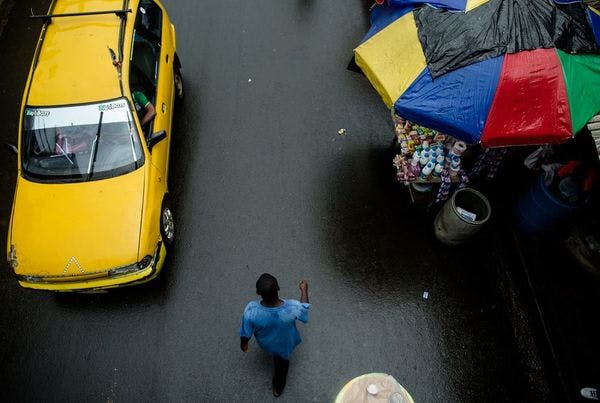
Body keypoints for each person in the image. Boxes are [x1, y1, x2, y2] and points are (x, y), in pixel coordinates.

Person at [240, 274, 310, 397]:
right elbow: (304, 307)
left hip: (266, 343)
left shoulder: (251, 310)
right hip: (285, 345)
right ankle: (278, 387)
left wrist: (244, 344)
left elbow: (246, 333)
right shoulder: (292, 307)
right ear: (278, 288)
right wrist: (304, 289)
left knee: (275, 355)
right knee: (281, 366)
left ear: (258, 292)